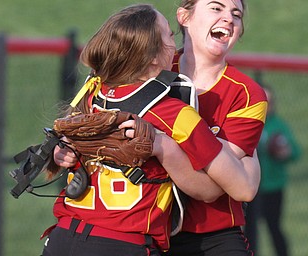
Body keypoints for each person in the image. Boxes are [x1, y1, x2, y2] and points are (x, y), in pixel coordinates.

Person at [42, 4, 254, 256]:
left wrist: (60, 152)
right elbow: (211, 190)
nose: (173, 42)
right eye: (168, 35)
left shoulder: (92, 92)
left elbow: (65, 146)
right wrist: (166, 147)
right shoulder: (173, 111)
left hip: (63, 237)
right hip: (122, 243)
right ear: (154, 56)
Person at [162, 0, 267, 255]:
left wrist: (161, 142)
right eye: (216, 8)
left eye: (236, 14)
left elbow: (220, 180)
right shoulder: (154, 72)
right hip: (149, 227)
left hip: (214, 235)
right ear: (184, 17)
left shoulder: (247, 94)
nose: (229, 19)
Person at [245, 86, 301, 256]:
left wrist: (285, 152)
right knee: (250, 230)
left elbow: (296, 152)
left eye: (270, 103)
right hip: (250, 188)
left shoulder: (278, 125)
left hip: (273, 186)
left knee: (274, 226)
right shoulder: (247, 123)